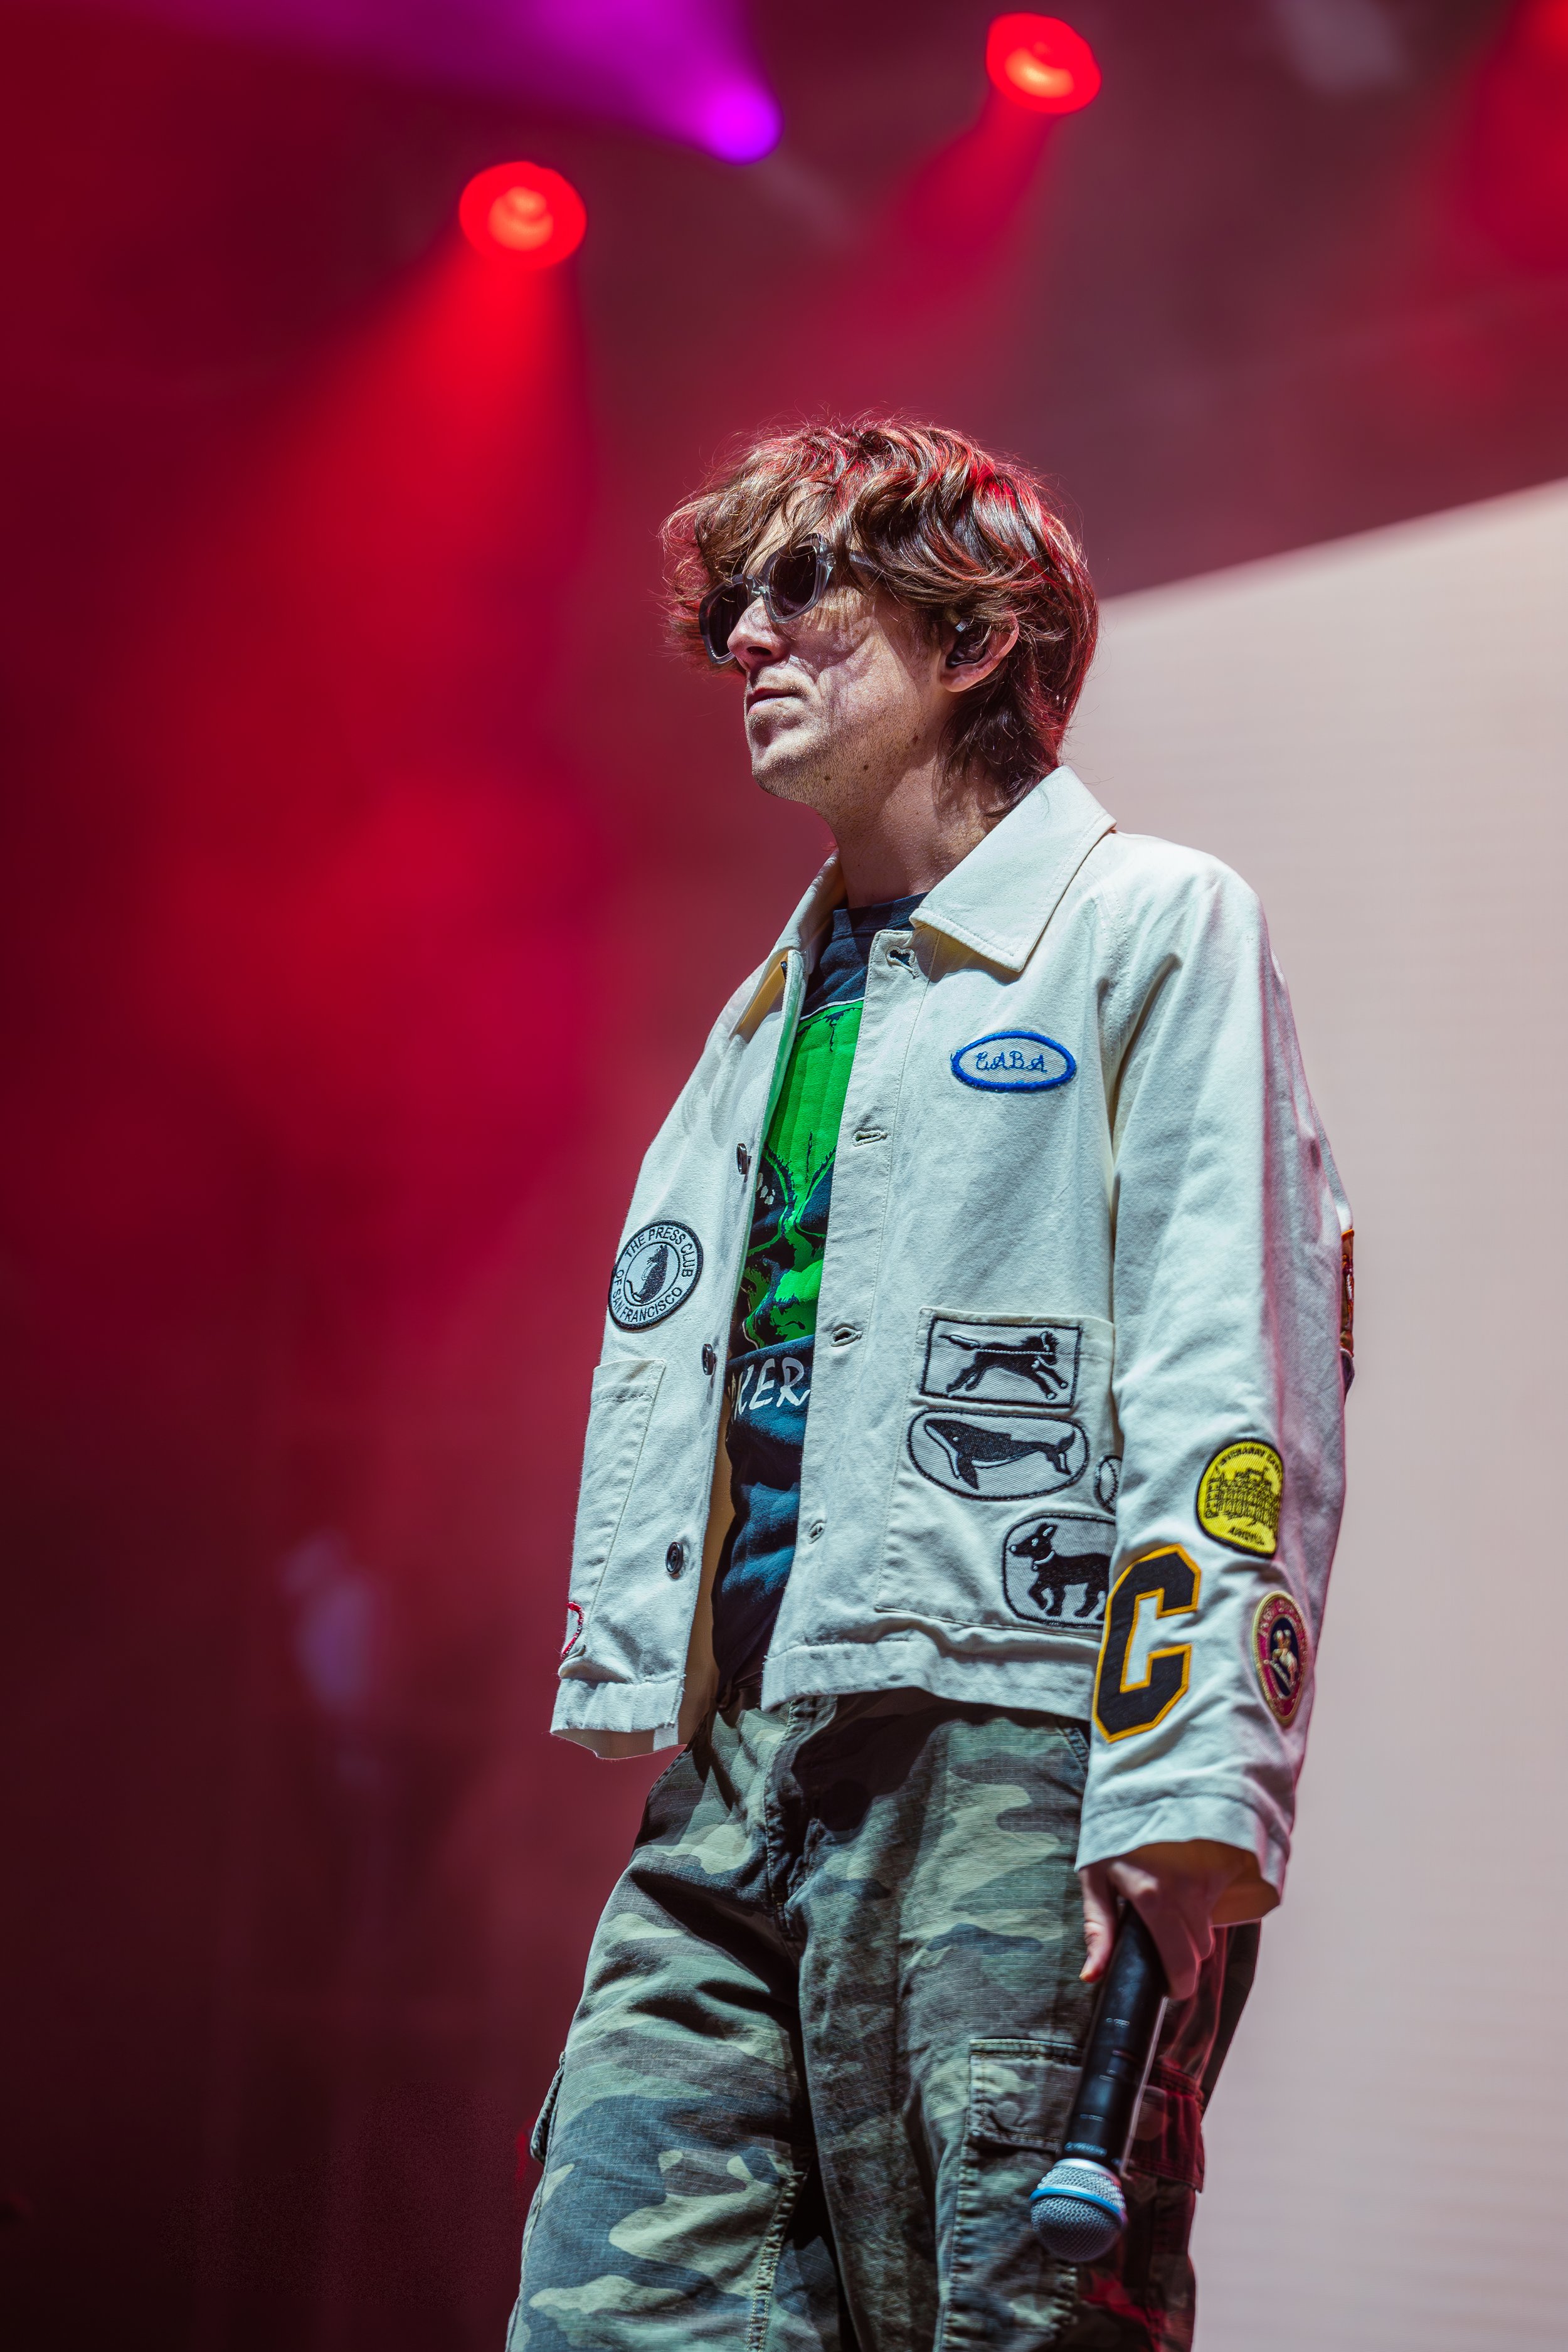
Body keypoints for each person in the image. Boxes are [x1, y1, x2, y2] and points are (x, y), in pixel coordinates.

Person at [509, 420, 1351, 2351]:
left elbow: (1240, 1378)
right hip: (738, 1775)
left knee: (1005, 2316)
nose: (747, 636)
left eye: (803, 585)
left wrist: (1186, 1782)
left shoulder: (1152, 922)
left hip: (1016, 1755)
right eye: (733, 603)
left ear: (975, 638)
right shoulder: (767, 1008)